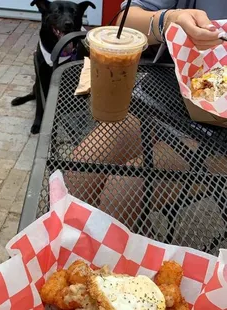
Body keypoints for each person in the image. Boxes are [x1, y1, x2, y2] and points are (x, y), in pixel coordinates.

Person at [64, 1, 227, 229]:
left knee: (122, 191)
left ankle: (126, 254)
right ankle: (108, 250)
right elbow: (127, 20)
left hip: (217, 141)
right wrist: (168, 20)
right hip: (162, 103)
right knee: (77, 175)